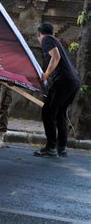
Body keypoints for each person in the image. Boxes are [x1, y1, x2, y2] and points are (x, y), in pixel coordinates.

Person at [34, 22, 80, 157]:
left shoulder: (46, 39)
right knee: (60, 113)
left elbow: (56, 57)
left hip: (63, 81)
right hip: (73, 81)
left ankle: (51, 147)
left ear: (39, 34)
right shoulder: (56, 40)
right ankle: (62, 147)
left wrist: (46, 74)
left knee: (48, 112)